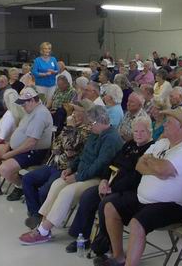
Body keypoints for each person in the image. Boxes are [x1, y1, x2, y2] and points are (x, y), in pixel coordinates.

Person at [100, 107, 182, 266]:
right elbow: (140, 165)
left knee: (137, 223)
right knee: (110, 207)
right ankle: (119, 256)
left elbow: (162, 169)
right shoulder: (162, 142)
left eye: (169, 122)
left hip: (173, 205)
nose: (164, 125)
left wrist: (152, 163)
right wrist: (156, 167)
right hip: (144, 198)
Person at [19, 105, 123, 245]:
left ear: (99, 121)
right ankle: (43, 227)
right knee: (57, 184)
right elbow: (83, 155)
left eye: (90, 123)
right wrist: (70, 168)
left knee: (67, 192)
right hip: (83, 173)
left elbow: (100, 165)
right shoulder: (95, 133)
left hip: (97, 178)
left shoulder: (111, 138)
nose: (88, 126)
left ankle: (43, 232)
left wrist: (78, 177)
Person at [66, 116, 154, 253]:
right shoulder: (129, 144)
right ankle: (82, 237)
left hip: (130, 190)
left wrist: (112, 188)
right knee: (88, 196)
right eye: (135, 131)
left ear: (150, 132)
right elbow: (112, 163)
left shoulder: (151, 150)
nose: (138, 135)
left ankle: (105, 243)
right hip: (111, 185)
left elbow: (136, 177)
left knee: (105, 203)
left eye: (142, 131)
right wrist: (104, 180)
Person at [22, 100, 93, 228]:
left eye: (77, 111)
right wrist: (65, 147)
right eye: (74, 110)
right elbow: (56, 144)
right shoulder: (72, 126)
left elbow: (70, 145)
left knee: (44, 191)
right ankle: (36, 215)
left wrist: (70, 130)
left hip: (67, 167)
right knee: (27, 179)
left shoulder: (88, 130)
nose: (73, 114)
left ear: (86, 113)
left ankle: (45, 220)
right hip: (55, 163)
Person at [0, 87, 53, 197]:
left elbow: (30, 143)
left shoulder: (40, 115)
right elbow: (20, 131)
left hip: (33, 152)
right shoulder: (31, 110)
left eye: (24, 103)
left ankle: (22, 186)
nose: (22, 106)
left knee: (4, 169)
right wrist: (9, 145)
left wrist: (10, 153)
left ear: (32, 100)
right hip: (22, 148)